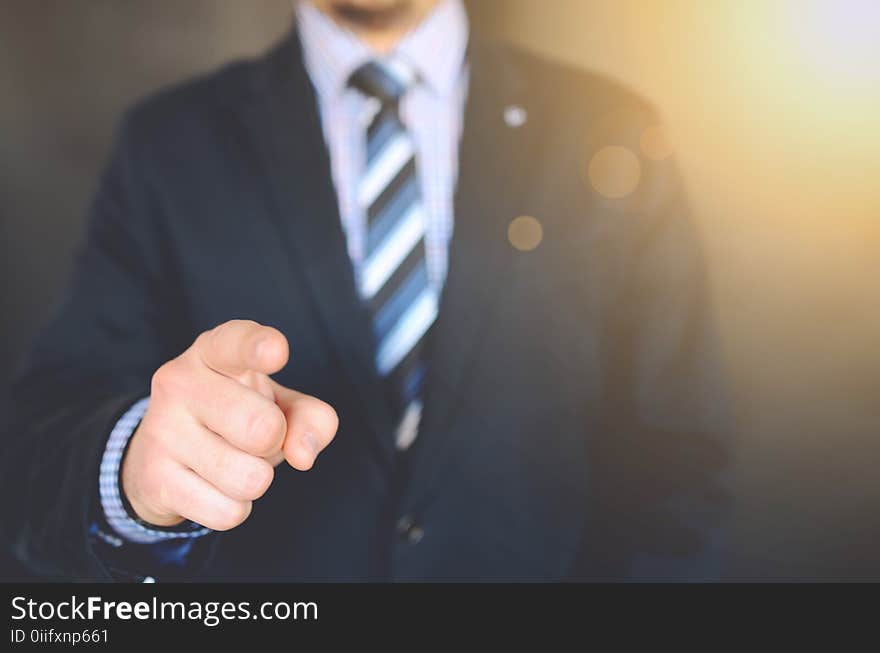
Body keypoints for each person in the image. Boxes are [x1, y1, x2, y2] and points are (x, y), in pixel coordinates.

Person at [0, 0, 730, 581]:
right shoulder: (167, 146)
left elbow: (681, 462)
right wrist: (134, 467)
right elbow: (39, 449)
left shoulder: (612, 129)